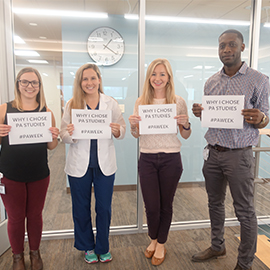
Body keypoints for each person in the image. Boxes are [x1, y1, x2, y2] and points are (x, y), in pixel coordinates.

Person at [191, 29, 269, 270]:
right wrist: (200, 113)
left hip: (239, 155)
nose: (226, 50)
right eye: (222, 46)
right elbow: (213, 115)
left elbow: (265, 118)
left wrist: (260, 118)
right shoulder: (211, 82)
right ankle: (217, 246)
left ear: (242, 47)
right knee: (214, 203)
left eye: (232, 45)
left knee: (244, 210)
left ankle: (244, 262)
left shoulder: (259, 80)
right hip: (212, 153)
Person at [60, 63, 126, 264]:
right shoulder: (72, 105)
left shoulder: (110, 103)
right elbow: (62, 133)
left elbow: (121, 127)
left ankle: (103, 246)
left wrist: (118, 131)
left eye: (93, 78)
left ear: (99, 80)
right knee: (81, 207)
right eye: (85, 79)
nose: (89, 82)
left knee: (104, 208)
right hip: (79, 164)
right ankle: (87, 246)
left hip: (104, 164)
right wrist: (69, 134)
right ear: (80, 82)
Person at [129, 58, 191, 266]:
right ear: (149, 78)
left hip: (171, 158)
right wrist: (133, 125)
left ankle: (160, 242)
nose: (157, 78)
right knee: (152, 206)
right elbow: (136, 135)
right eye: (154, 74)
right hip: (147, 157)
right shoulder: (141, 102)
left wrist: (186, 124)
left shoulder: (178, 101)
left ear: (169, 77)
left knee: (166, 204)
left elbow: (186, 135)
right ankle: (153, 238)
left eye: (162, 74)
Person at [0, 67, 59, 270]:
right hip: (10, 174)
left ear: (39, 86)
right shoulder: (4, 109)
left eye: (34, 82)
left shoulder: (46, 112)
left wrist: (54, 136)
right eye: (25, 82)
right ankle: (17, 257)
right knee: (15, 218)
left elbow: (51, 147)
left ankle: (35, 253)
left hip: (38, 173)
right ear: (18, 84)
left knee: (35, 215)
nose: (29, 86)